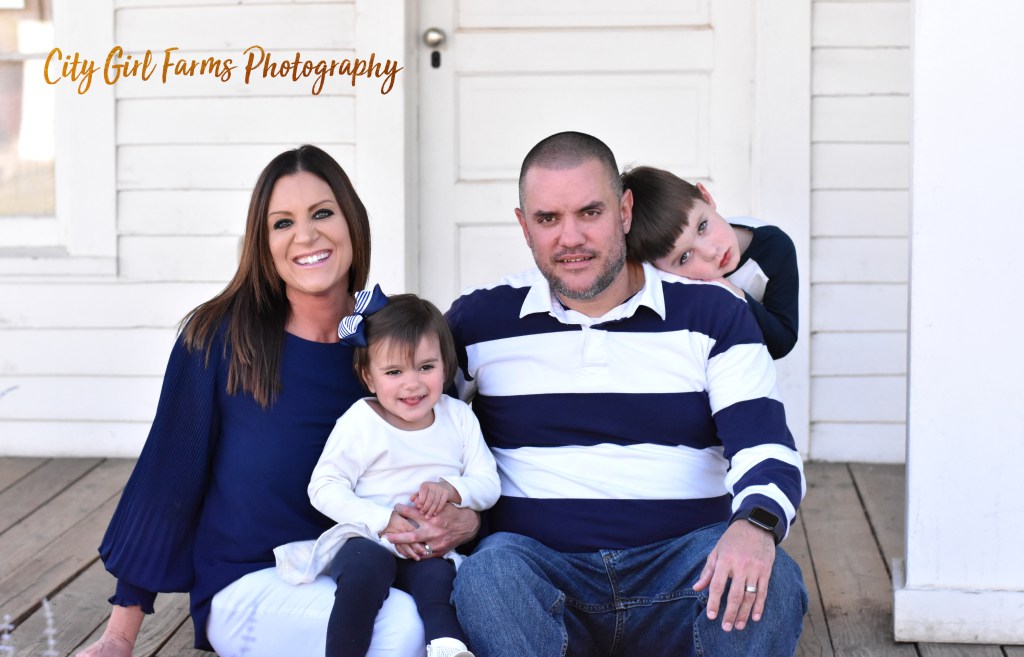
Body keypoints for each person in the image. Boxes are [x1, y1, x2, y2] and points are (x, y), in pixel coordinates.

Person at [76, 145, 479, 657]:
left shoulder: (393, 348)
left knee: (447, 612)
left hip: (372, 571)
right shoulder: (220, 339)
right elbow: (167, 479)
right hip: (254, 581)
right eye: (283, 223)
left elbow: (455, 457)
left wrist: (469, 521)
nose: (305, 236)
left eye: (322, 213)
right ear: (263, 244)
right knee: (399, 626)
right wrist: (119, 635)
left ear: (352, 221)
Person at [446, 132, 808, 657]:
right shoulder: (480, 321)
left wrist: (756, 525)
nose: (571, 237)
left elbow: (765, 445)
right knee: (488, 577)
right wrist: (459, 512)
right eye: (548, 219)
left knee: (771, 582)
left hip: (688, 571)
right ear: (524, 227)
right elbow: (417, 425)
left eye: (590, 212)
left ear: (625, 210)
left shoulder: (713, 313)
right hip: (543, 574)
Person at [273, 289, 500, 657]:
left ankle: (448, 646)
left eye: (426, 367)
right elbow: (324, 486)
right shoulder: (362, 422)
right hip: (366, 538)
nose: (412, 383)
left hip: (425, 546)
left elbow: (488, 483)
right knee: (365, 571)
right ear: (369, 377)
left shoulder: (458, 417)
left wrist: (452, 488)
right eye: (394, 372)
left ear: (446, 366)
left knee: (438, 579)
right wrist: (383, 520)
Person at [621, 165, 799, 359]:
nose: (710, 252)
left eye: (702, 226)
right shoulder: (661, 281)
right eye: (685, 256)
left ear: (706, 197)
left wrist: (736, 295)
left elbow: (783, 341)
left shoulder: (774, 248)